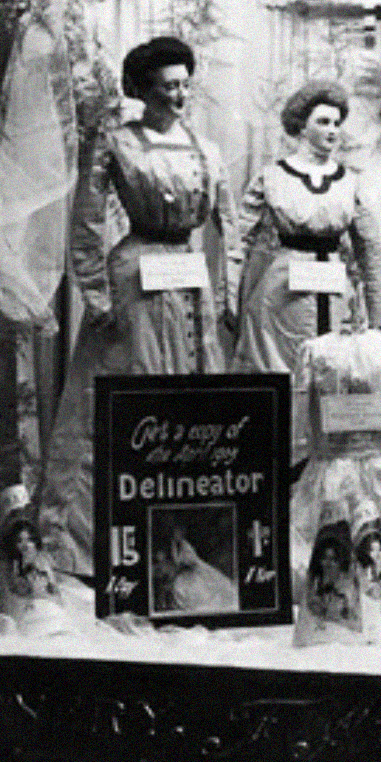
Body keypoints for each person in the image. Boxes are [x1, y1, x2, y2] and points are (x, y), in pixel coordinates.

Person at [39, 36, 240, 575]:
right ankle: (95, 544)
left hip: (189, 282)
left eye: (184, 84)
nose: (179, 95)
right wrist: (95, 292)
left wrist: (226, 296)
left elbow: (229, 228)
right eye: (168, 85)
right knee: (126, 396)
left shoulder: (208, 149)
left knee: (190, 408)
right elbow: (85, 218)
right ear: (143, 89)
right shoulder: (116, 143)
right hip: (136, 281)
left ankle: (183, 536)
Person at [232, 79, 381, 377]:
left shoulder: (349, 182)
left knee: (333, 375)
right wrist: (230, 301)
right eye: (323, 121)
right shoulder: (272, 177)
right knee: (283, 372)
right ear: (302, 126)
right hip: (281, 298)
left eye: (337, 122)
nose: (333, 130)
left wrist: (378, 319)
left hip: (337, 295)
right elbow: (239, 241)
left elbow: (370, 251)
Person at [305, 534, 359, 625]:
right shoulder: (314, 584)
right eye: (324, 558)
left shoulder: (348, 586)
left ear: (340, 562)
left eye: (333, 559)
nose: (328, 563)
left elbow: (352, 617)